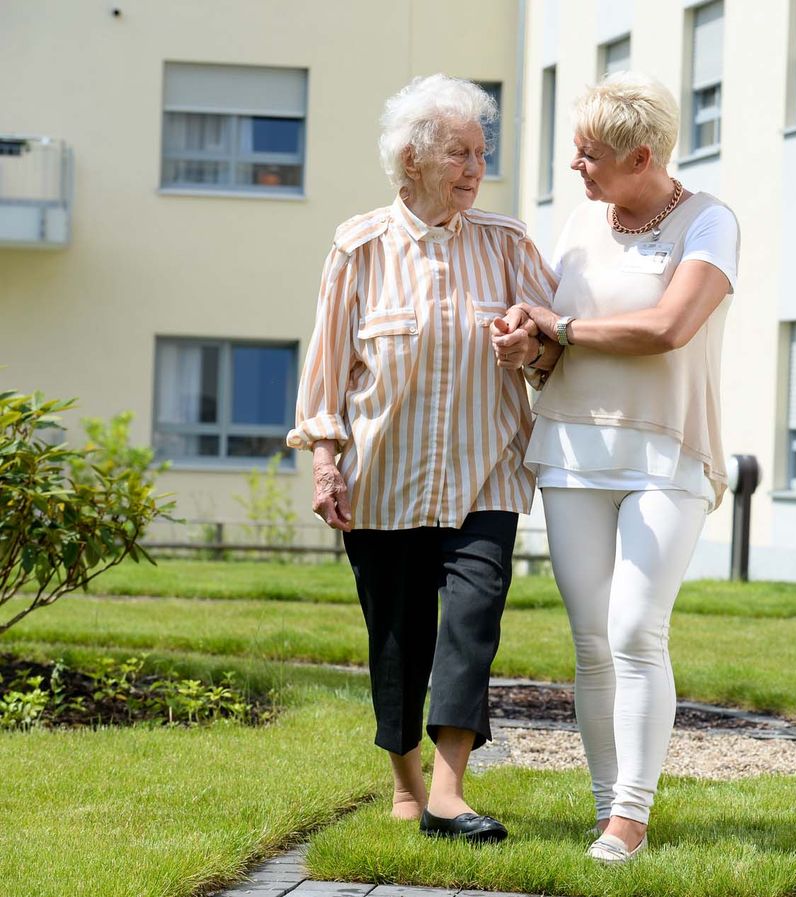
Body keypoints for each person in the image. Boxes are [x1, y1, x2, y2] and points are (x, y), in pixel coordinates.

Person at [286, 75, 558, 845]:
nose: (476, 167)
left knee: (471, 622)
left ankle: (447, 793)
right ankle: (406, 784)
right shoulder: (359, 245)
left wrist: (531, 345)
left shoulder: (507, 243)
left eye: (481, 152)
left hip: (485, 474)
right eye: (459, 152)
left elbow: (556, 344)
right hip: (381, 482)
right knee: (397, 635)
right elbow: (327, 369)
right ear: (411, 158)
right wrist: (325, 463)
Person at [493, 72, 738, 864]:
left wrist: (558, 323)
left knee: (637, 627)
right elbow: (555, 339)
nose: (576, 165)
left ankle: (633, 814)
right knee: (592, 640)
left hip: (666, 451)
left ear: (641, 157)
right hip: (571, 446)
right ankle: (609, 813)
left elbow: (668, 327)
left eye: (589, 153)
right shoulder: (577, 222)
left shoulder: (709, 223)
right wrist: (528, 344)